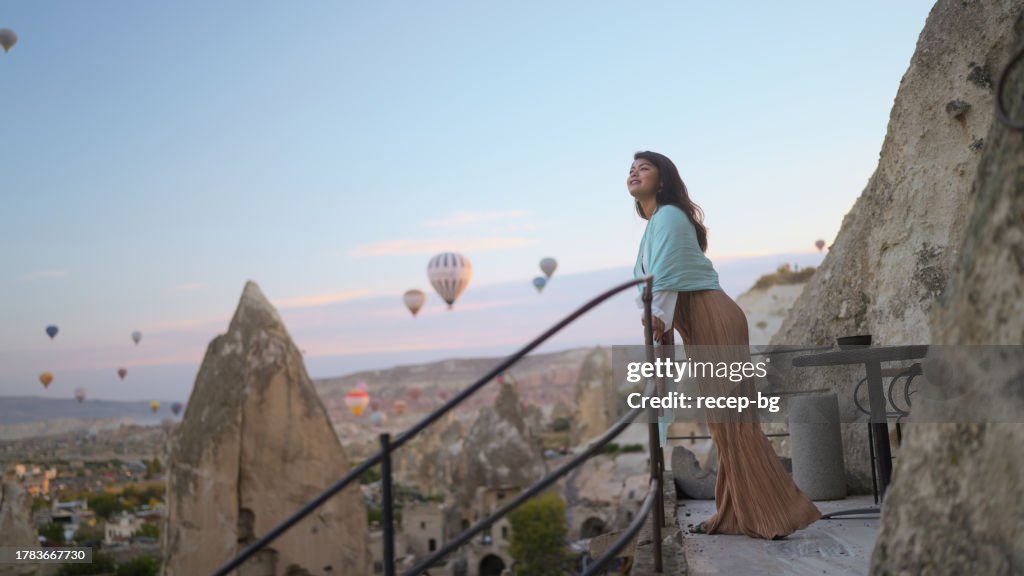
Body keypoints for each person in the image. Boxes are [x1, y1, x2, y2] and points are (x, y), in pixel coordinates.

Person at [628, 150, 820, 539]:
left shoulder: (669, 216)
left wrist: (657, 315)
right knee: (723, 424)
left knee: (734, 422)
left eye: (644, 168)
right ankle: (735, 513)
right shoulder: (655, 224)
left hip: (714, 321)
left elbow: (664, 273)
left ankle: (779, 513)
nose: (634, 172)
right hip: (703, 325)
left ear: (662, 180)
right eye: (631, 169)